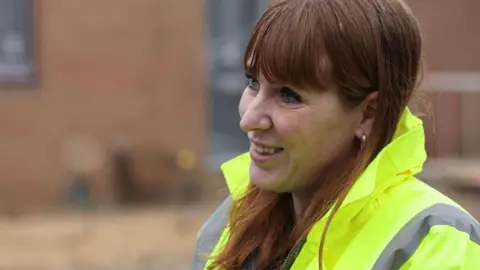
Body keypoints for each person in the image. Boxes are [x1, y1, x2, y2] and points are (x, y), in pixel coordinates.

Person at [192, 0, 480, 269]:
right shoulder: (233, 221)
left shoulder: (436, 243)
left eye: (290, 96)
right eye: (253, 82)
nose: (249, 119)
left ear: (369, 114)